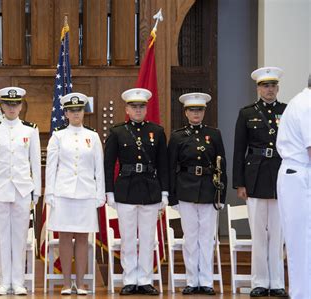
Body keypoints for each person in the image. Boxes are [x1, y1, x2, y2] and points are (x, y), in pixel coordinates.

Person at [104, 88, 168, 296]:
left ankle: (146, 279)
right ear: (127, 109)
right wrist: (109, 192)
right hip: (126, 189)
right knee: (128, 238)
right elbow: (108, 164)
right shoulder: (117, 132)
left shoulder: (157, 131)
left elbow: (163, 165)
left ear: (146, 108)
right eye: (134, 106)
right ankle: (130, 279)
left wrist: (165, 192)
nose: (138, 110)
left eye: (141, 106)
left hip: (150, 189)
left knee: (148, 238)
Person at [233, 67, 288, 297]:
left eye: (273, 85)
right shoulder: (247, 113)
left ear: (277, 87)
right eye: (265, 85)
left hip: (279, 176)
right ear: (258, 88)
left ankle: (276, 282)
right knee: (258, 233)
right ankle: (259, 282)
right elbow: (239, 150)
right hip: (254, 177)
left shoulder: (286, 111)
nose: (270, 89)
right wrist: (240, 183)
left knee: (277, 235)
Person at [0, 87, 41, 295]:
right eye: (8, 104)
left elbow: (35, 162)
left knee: (19, 237)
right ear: (2, 106)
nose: (12, 108)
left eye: (16, 104)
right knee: (2, 236)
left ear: (21, 105)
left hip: (23, 190)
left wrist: (37, 191)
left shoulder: (30, 129)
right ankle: (3, 281)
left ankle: (18, 281)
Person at [45, 92, 105, 295]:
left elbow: (99, 168)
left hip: (86, 193)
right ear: (66, 113)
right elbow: (51, 167)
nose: (76, 113)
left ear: (83, 112)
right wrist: (49, 193)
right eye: (72, 110)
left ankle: (80, 283)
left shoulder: (93, 136)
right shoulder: (58, 136)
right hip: (63, 193)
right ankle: (65, 283)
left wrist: (100, 193)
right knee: (64, 236)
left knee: (82, 237)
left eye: (79, 109)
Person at [168, 93, 227, 295]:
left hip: (209, 190)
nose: (196, 113)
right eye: (192, 110)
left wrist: (222, 195)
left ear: (204, 112)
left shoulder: (214, 134)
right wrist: (173, 197)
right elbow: (171, 167)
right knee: (190, 238)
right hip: (186, 189)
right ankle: (192, 280)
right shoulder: (177, 136)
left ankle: (207, 281)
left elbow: (222, 165)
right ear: (186, 112)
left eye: (200, 110)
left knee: (207, 237)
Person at [276, 77, 311, 299]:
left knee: (304, 241)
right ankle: (302, 294)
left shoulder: (302, 100)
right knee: (302, 242)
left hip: (297, 175)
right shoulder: (307, 104)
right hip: (298, 176)